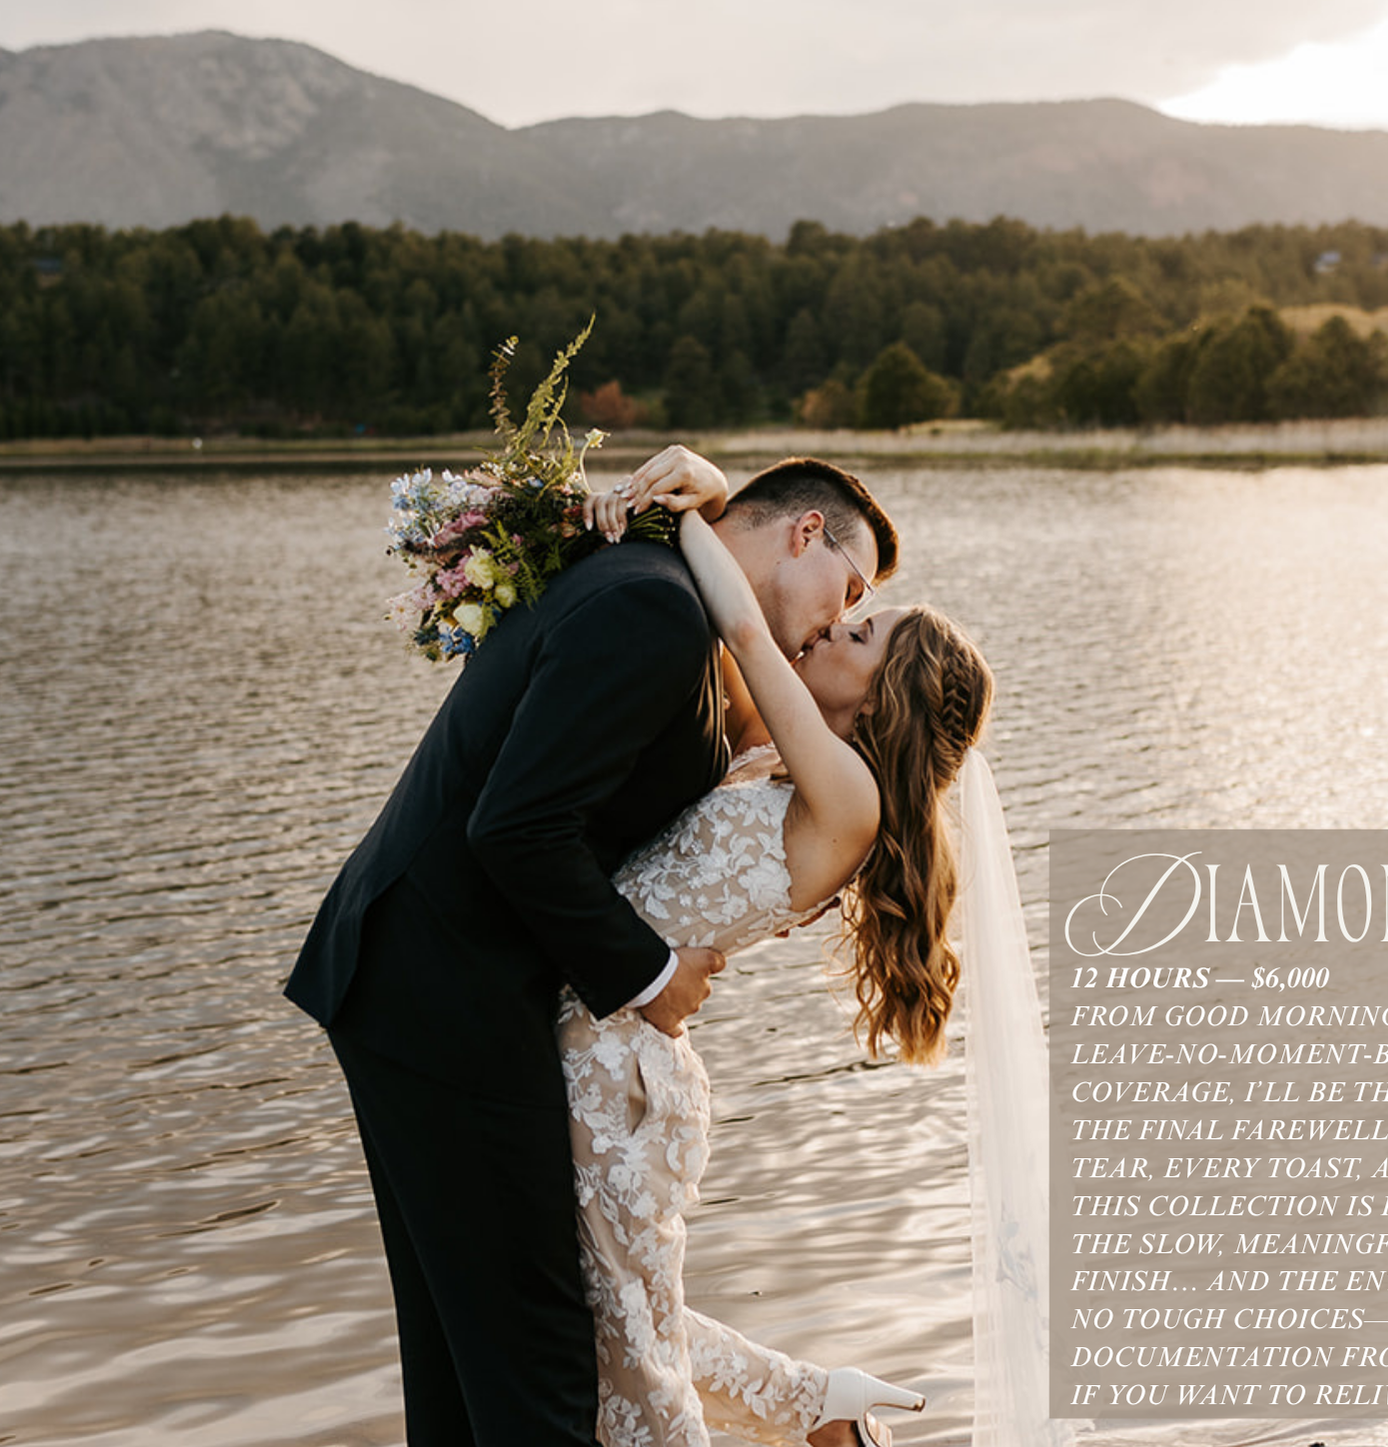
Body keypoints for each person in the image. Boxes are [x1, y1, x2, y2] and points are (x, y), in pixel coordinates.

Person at [285, 448, 896, 1447]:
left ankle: (818, 1410)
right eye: (851, 586)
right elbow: (513, 827)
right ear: (802, 533)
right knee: (538, 1379)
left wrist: (696, 498)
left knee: (467, 1369)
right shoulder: (651, 609)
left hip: (424, 986)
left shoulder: (668, 598)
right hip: (449, 998)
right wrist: (655, 972)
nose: (838, 616)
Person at [564, 487, 994, 1447]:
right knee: (623, 1330)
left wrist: (689, 516)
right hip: (602, 1036)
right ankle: (820, 1407)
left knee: (627, 1349)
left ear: (884, 698)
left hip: (613, 1065)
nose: (835, 628)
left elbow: (748, 632)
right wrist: (713, 501)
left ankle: (817, 1407)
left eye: (861, 633)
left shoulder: (849, 799)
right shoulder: (784, 756)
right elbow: (734, 646)